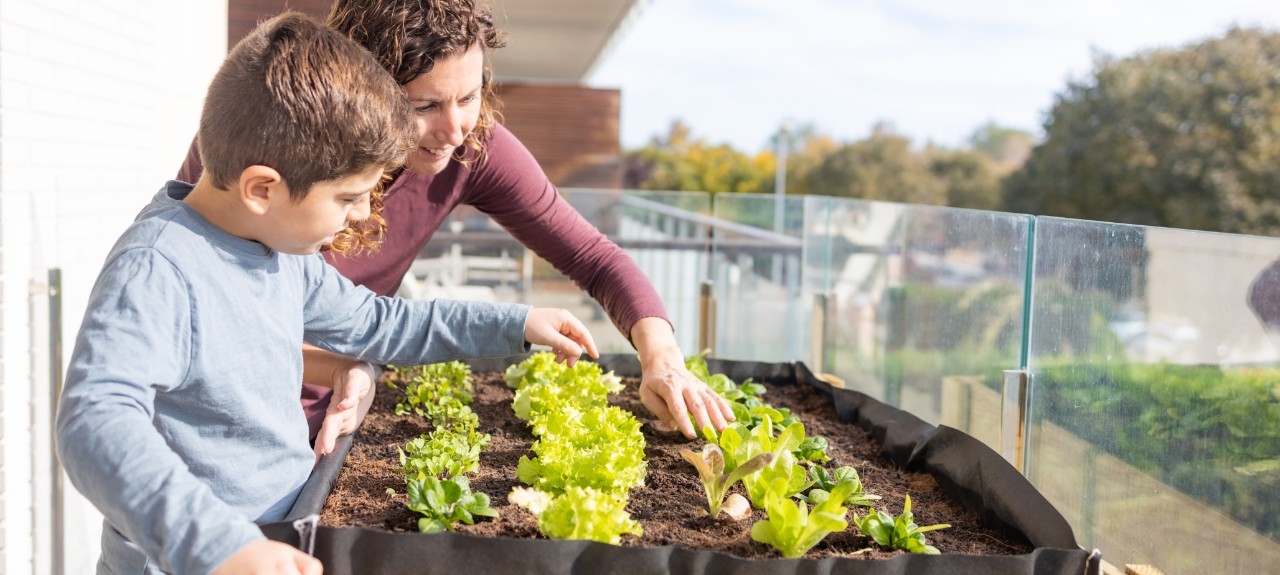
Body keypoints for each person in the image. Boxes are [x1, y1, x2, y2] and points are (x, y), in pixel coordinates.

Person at [56, 12, 597, 575]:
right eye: (347, 198)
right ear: (262, 189)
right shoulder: (158, 268)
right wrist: (221, 548)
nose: (362, 215)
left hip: (285, 529)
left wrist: (518, 322)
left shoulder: (276, 248)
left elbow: (381, 323)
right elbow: (95, 422)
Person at [176, 0, 734, 451]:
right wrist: (349, 363)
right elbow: (219, 324)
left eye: (468, 96)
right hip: (217, 434)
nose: (456, 129)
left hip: (329, 430)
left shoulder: (472, 147)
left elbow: (594, 257)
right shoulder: (266, 147)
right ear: (362, 89)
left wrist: (660, 357)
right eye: (424, 106)